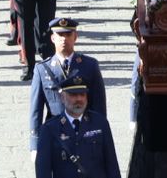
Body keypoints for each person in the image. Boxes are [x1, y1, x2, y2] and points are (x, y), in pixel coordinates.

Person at [28, 18, 108, 151]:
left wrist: (100, 136)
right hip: (54, 135)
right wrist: (35, 145)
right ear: (53, 38)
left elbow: (99, 105)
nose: (64, 39)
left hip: (84, 133)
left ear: (76, 37)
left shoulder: (89, 65)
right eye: (60, 35)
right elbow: (35, 110)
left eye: (68, 34)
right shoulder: (42, 69)